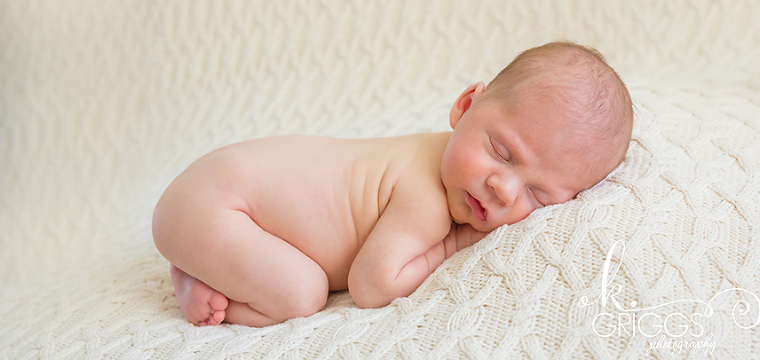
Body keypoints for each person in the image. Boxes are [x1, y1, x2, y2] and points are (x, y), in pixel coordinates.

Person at [152, 41, 634, 327]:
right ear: (465, 107)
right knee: (302, 295)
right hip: (213, 206)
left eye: (538, 195)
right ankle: (198, 272)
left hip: (216, 194)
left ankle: (207, 259)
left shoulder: (447, 161)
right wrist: (455, 243)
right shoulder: (426, 196)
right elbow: (370, 285)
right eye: (502, 153)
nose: (503, 189)